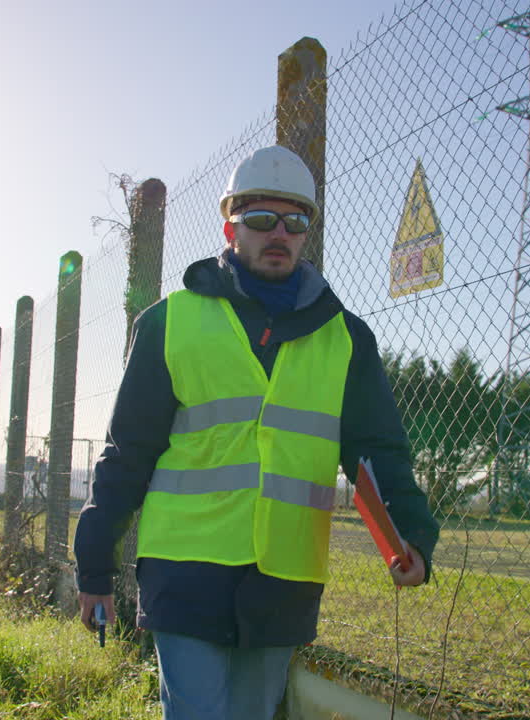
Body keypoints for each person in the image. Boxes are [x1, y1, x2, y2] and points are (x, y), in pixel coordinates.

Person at [74, 144, 440, 720]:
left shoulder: (347, 339)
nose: (280, 233)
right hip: (184, 569)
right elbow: (128, 455)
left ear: (306, 234)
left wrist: (412, 535)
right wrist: (94, 565)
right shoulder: (170, 323)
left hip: (284, 577)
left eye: (295, 222)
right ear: (231, 227)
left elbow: (379, 451)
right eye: (261, 219)